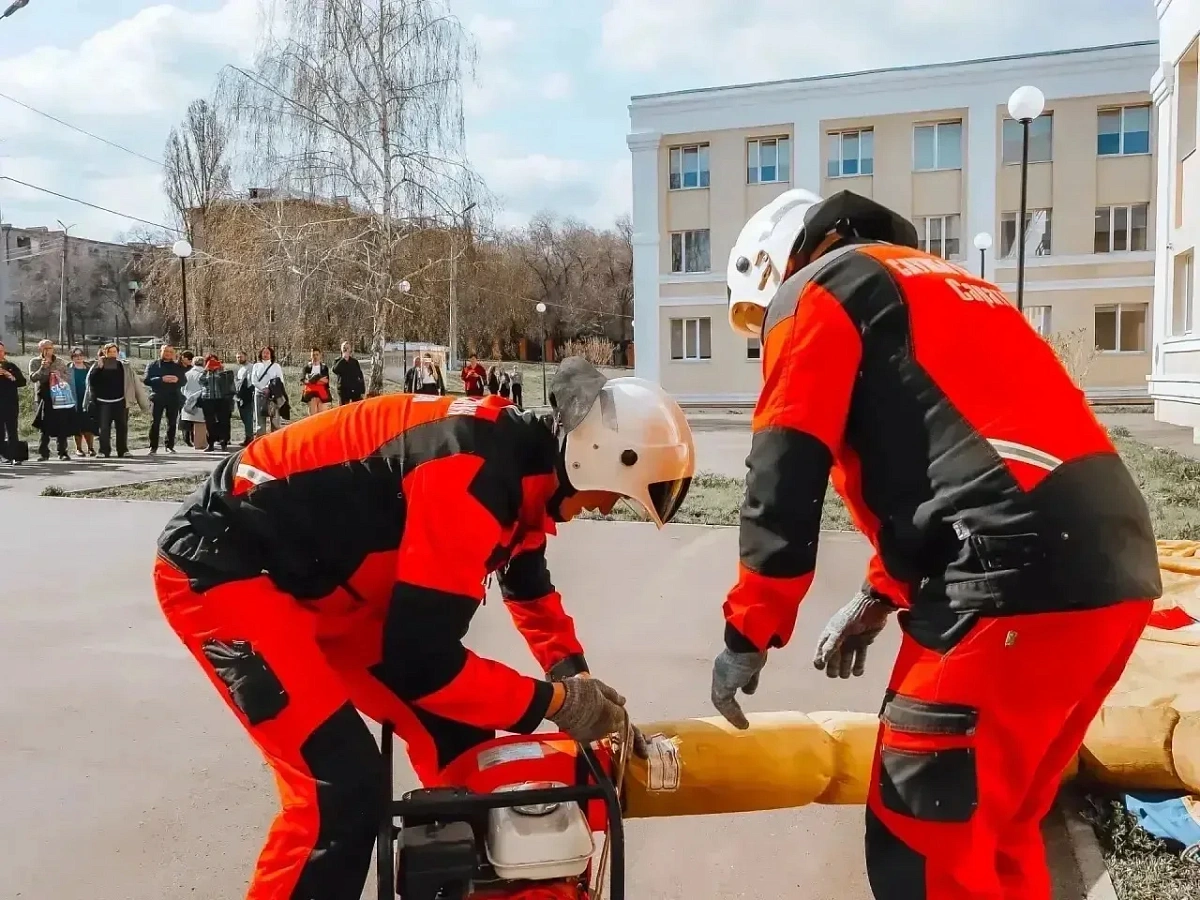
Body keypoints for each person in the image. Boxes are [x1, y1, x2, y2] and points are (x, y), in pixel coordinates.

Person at [707, 189, 1162, 900]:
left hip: (1005, 583)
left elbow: (784, 467)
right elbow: (957, 449)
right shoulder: (954, 286)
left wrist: (749, 629)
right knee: (1001, 834)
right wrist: (879, 593)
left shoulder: (819, 290)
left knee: (922, 847)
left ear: (772, 266)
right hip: (1116, 571)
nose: (762, 332)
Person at [153, 357, 695, 900]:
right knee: (339, 790)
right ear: (593, 459)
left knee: (463, 741)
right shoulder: (472, 477)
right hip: (228, 570)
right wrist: (555, 703)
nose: (606, 509)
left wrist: (576, 680)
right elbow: (422, 665)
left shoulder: (522, 466)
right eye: (616, 495)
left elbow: (528, 589)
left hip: (326, 589)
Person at [84, 342, 148, 459]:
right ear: (105, 353)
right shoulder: (97, 365)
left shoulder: (124, 366)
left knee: (122, 427)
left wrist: (142, 402)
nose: (112, 354)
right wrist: (99, 368)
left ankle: (123, 450)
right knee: (104, 428)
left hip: (120, 401)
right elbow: (91, 382)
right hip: (103, 402)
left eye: (114, 351)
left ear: (118, 353)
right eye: (109, 352)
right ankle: (104, 451)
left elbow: (134, 382)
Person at [28, 339, 75, 461]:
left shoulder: (60, 361)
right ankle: (43, 453)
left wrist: (60, 376)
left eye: (50, 348)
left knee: (62, 424)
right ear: (40, 349)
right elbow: (33, 378)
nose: (48, 351)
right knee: (44, 426)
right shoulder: (35, 361)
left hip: (59, 396)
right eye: (45, 348)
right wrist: (42, 368)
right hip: (43, 396)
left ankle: (62, 452)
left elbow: (68, 377)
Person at [144, 344, 187, 455]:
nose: (168, 353)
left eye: (170, 352)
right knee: (155, 422)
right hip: (157, 397)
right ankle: (153, 447)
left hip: (173, 397)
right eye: (166, 351)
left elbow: (183, 381)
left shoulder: (178, 366)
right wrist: (161, 379)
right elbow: (146, 380)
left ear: (173, 354)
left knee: (172, 422)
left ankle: (169, 446)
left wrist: (177, 380)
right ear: (161, 352)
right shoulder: (153, 365)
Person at [199, 354, 236, 453]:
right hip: (208, 399)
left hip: (222, 399)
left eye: (214, 361)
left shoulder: (223, 371)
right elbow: (200, 381)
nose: (212, 363)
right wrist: (206, 370)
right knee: (210, 422)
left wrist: (221, 369)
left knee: (224, 421)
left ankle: (224, 442)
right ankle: (210, 444)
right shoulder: (205, 372)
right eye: (210, 361)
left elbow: (229, 381)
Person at [0, 340, 27, 465]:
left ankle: (14, 456)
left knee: (12, 430)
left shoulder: (11, 366)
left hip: (10, 403)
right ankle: (3, 455)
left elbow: (22, 382)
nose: (0, 353)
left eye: (1, 351)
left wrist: (9, 375)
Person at [250, 346, 285, 436]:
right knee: (260, 421)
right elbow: (254, 380)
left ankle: (276, 440)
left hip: (273, 396)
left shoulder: (276, 366)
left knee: (275, 420)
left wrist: (271, 389)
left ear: (271, 354)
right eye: (264, 353)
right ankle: (261, 440)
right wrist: (263, 388)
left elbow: (280, 381)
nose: (265, 354)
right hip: (259, 395)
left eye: (267, 353)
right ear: (261, 354)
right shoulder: (256, 366)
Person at [68, 348, 96, 458]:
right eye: (75, 355)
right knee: (77, 425)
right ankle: (78, 449)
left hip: (88, 399)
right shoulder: (68, 369)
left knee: (88, 425)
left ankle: (91, 448)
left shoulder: (90, 368)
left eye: (80, 355)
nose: (78, 357)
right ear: (72, 357)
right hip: (74, 399)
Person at [181, 353, 208, 451]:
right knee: (201, 423)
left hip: (188, 399)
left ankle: (193, 441)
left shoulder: (187, 374)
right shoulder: (204, 374)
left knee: (192, 422)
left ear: (193, 363)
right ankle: (200, 443)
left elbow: (182, 388)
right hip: (201, 400)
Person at [233, 351, 256, 446]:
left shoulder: (251, 367)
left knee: (247, 417)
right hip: (240, 395)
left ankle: (249, 438)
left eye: (241, 357)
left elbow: (251, 382)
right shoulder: (240, 369)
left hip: (248, 395)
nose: (239, 359)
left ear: (246, 356)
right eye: (237, 357)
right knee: (243, 417)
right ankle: (248, 436)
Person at [300, 348, 332, 415]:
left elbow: (326, 380)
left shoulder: (324, 368)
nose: (315, 357)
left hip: (322, 392)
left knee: (322, 414)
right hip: (311, 393)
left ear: (320, 355)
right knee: (313, 415)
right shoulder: (307, 368)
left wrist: (313, 378)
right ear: (311, 356)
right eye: (313, 355)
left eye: (317, 354)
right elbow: (304, 380)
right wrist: (319, 379)